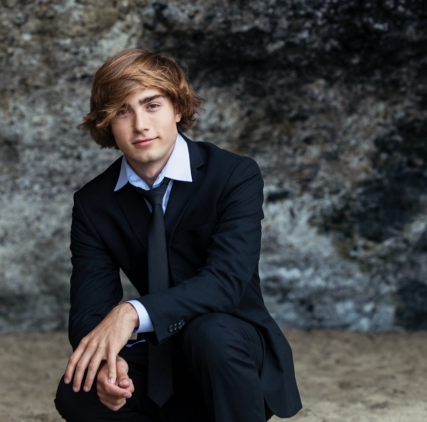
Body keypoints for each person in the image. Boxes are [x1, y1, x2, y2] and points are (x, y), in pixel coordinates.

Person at [54, 48, 302, 421]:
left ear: (178, 109)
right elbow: (90, 311)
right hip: (162, 354)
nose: (140, 124)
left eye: (152, 105)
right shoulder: (93, 203)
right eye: (123, 111)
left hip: (232, 351)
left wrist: (132, 312)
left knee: (211, 333)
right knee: (78, 388)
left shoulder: (233, 175)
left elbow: (226, 282)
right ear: (107, 123)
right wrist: (111, 365)